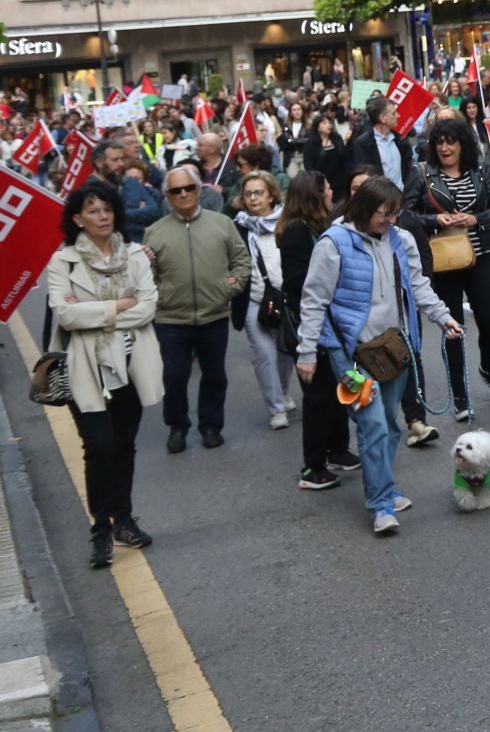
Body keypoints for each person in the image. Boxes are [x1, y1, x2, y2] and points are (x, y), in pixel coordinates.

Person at [296, 178, 463, 535]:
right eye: (384, 214)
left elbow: (418, 286)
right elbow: (313, 300)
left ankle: (383, 485)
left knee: (389, 425)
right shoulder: (333, 243)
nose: (391, 221)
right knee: (372, 424)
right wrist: (308, 351)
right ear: (362, 208)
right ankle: (381, 504)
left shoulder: (400, 240)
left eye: (395, 214)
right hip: (350, 354)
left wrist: (443, 316)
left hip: (393, 349)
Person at [47, 179, 162, 568]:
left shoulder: (135, 255)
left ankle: (124, 519)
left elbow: (146, 307)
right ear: (77, 219)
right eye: (92, 210)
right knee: (99, 447)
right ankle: (100, 527)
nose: (102, 216)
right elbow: (65, 314)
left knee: (125, 443)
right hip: (85, 368)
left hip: (130, 363)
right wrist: (118, 306)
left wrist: (94, 311)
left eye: (107, 208)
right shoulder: (62, 261)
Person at [144, 165, 251, 454]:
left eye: (188, 188)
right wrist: (159, 294)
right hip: (171, 318)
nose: (183, 194)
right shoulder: (154, 233)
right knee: (175, 376)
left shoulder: (222, 223)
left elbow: (242, 261)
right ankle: (177, 426)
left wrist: (230, 288)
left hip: (213, 314)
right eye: (175, 190)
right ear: (167, 196)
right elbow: (146, 277)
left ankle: (211, 426)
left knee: (214, 374)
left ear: (198, 190)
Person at [404, 118, 490, 418]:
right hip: (444, 259)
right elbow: (406, 213)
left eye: (451, 141)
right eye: (440, 142)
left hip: (479, 254)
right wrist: (435, 220)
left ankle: (487, 367)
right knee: (453, 328)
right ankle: (461, 396)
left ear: (463, 144)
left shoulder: (481, 170)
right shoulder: (422, 173)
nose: (445, 148)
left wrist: (476, 220)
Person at [278, 172, 358, 490]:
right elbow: (296, 281)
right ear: (314, 195)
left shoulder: (321, 227)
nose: (332, 192)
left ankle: (337, 449)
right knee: (316, 396)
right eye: (327, 188)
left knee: (336, 386)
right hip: (308, 323)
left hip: (330, 320)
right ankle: (313, 466)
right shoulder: (296, 232)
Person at [231, 171, 297, 429]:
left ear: (271, 194)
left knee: (285, 351)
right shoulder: (237, 226)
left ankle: (281, 390)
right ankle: (276, 408)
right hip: (253, 299)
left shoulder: (287, 221)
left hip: (284, 297)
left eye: (258, 192)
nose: (253, 198)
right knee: (265, 354)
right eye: (248, 194)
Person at [347, 95, 414, 189]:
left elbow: (407, 167)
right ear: (383, 118)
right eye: (393, 113)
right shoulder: (363, 144)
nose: (398, 116)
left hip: (402, 196)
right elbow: (365, 177)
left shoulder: (399, 139)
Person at [302, 112, 350, 200]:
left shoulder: (337, 139)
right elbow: (308, 164)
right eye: (324, 123)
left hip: (339, 183)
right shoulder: (311, 143)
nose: (328, 125)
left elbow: (345, 158)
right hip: (321, 183)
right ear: (318, 127)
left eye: (329, 123)